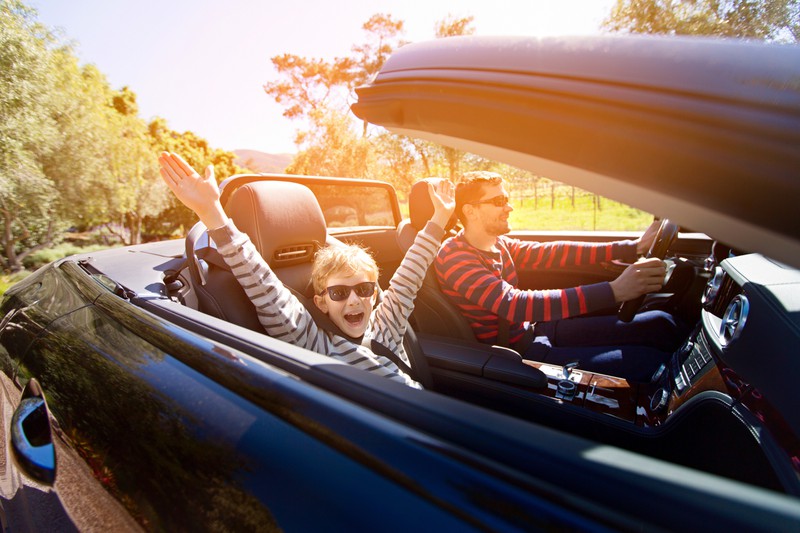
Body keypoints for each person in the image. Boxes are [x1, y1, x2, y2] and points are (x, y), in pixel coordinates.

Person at [158, 152, 455, 389]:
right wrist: (212, 212)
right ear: (321, 301)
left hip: (428, 413)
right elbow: (263, 286)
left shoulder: (387, 322)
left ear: (375, 295)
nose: (353, 301)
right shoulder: (312, 340)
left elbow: (410, 273)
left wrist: (439, 218)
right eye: (339, 293)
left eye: (364, 290)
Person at [435, 171, 684, 382]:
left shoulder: (497, 243)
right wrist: (615, 291)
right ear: (471, 211)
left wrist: (633, 247)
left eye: (507, 198)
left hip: (535, 331)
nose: (509, 207)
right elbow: (516, 305)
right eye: (499, 200)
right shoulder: (455, 257)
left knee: (660, 323)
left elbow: (553, 252)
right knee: (647, 363)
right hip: (515, 353)